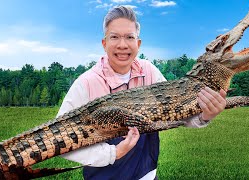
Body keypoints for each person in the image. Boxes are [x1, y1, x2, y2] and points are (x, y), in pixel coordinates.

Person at [57, 5, 227, 180]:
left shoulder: (150, 71)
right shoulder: (85, 84)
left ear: (138, 44)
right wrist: (112, 153)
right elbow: (60, 141)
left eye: (129, 37)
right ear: (104, 43)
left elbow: (179, 113)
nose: (122, 45)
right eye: (114, 37)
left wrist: (204, 115)